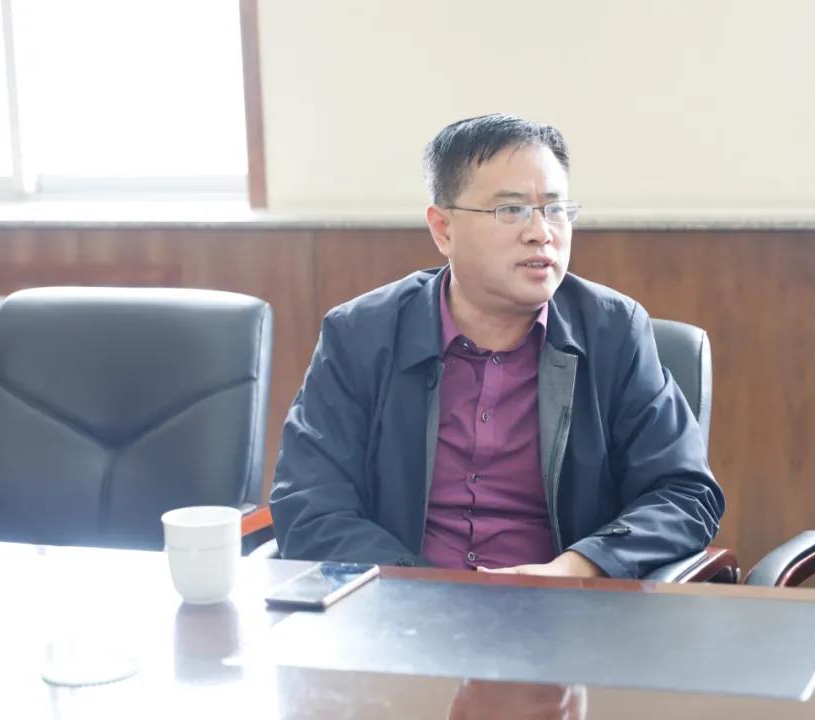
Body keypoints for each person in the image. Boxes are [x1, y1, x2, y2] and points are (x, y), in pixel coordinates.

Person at [269, 113, 724, 579]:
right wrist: (426, 589)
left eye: (555, 209)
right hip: (397, 604)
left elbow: (685, 494)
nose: (541, 232)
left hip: (562, 607)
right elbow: (309, 504)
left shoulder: (613, 333)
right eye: (511, 210)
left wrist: (577, 567)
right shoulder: (361, 335)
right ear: (443, 229)